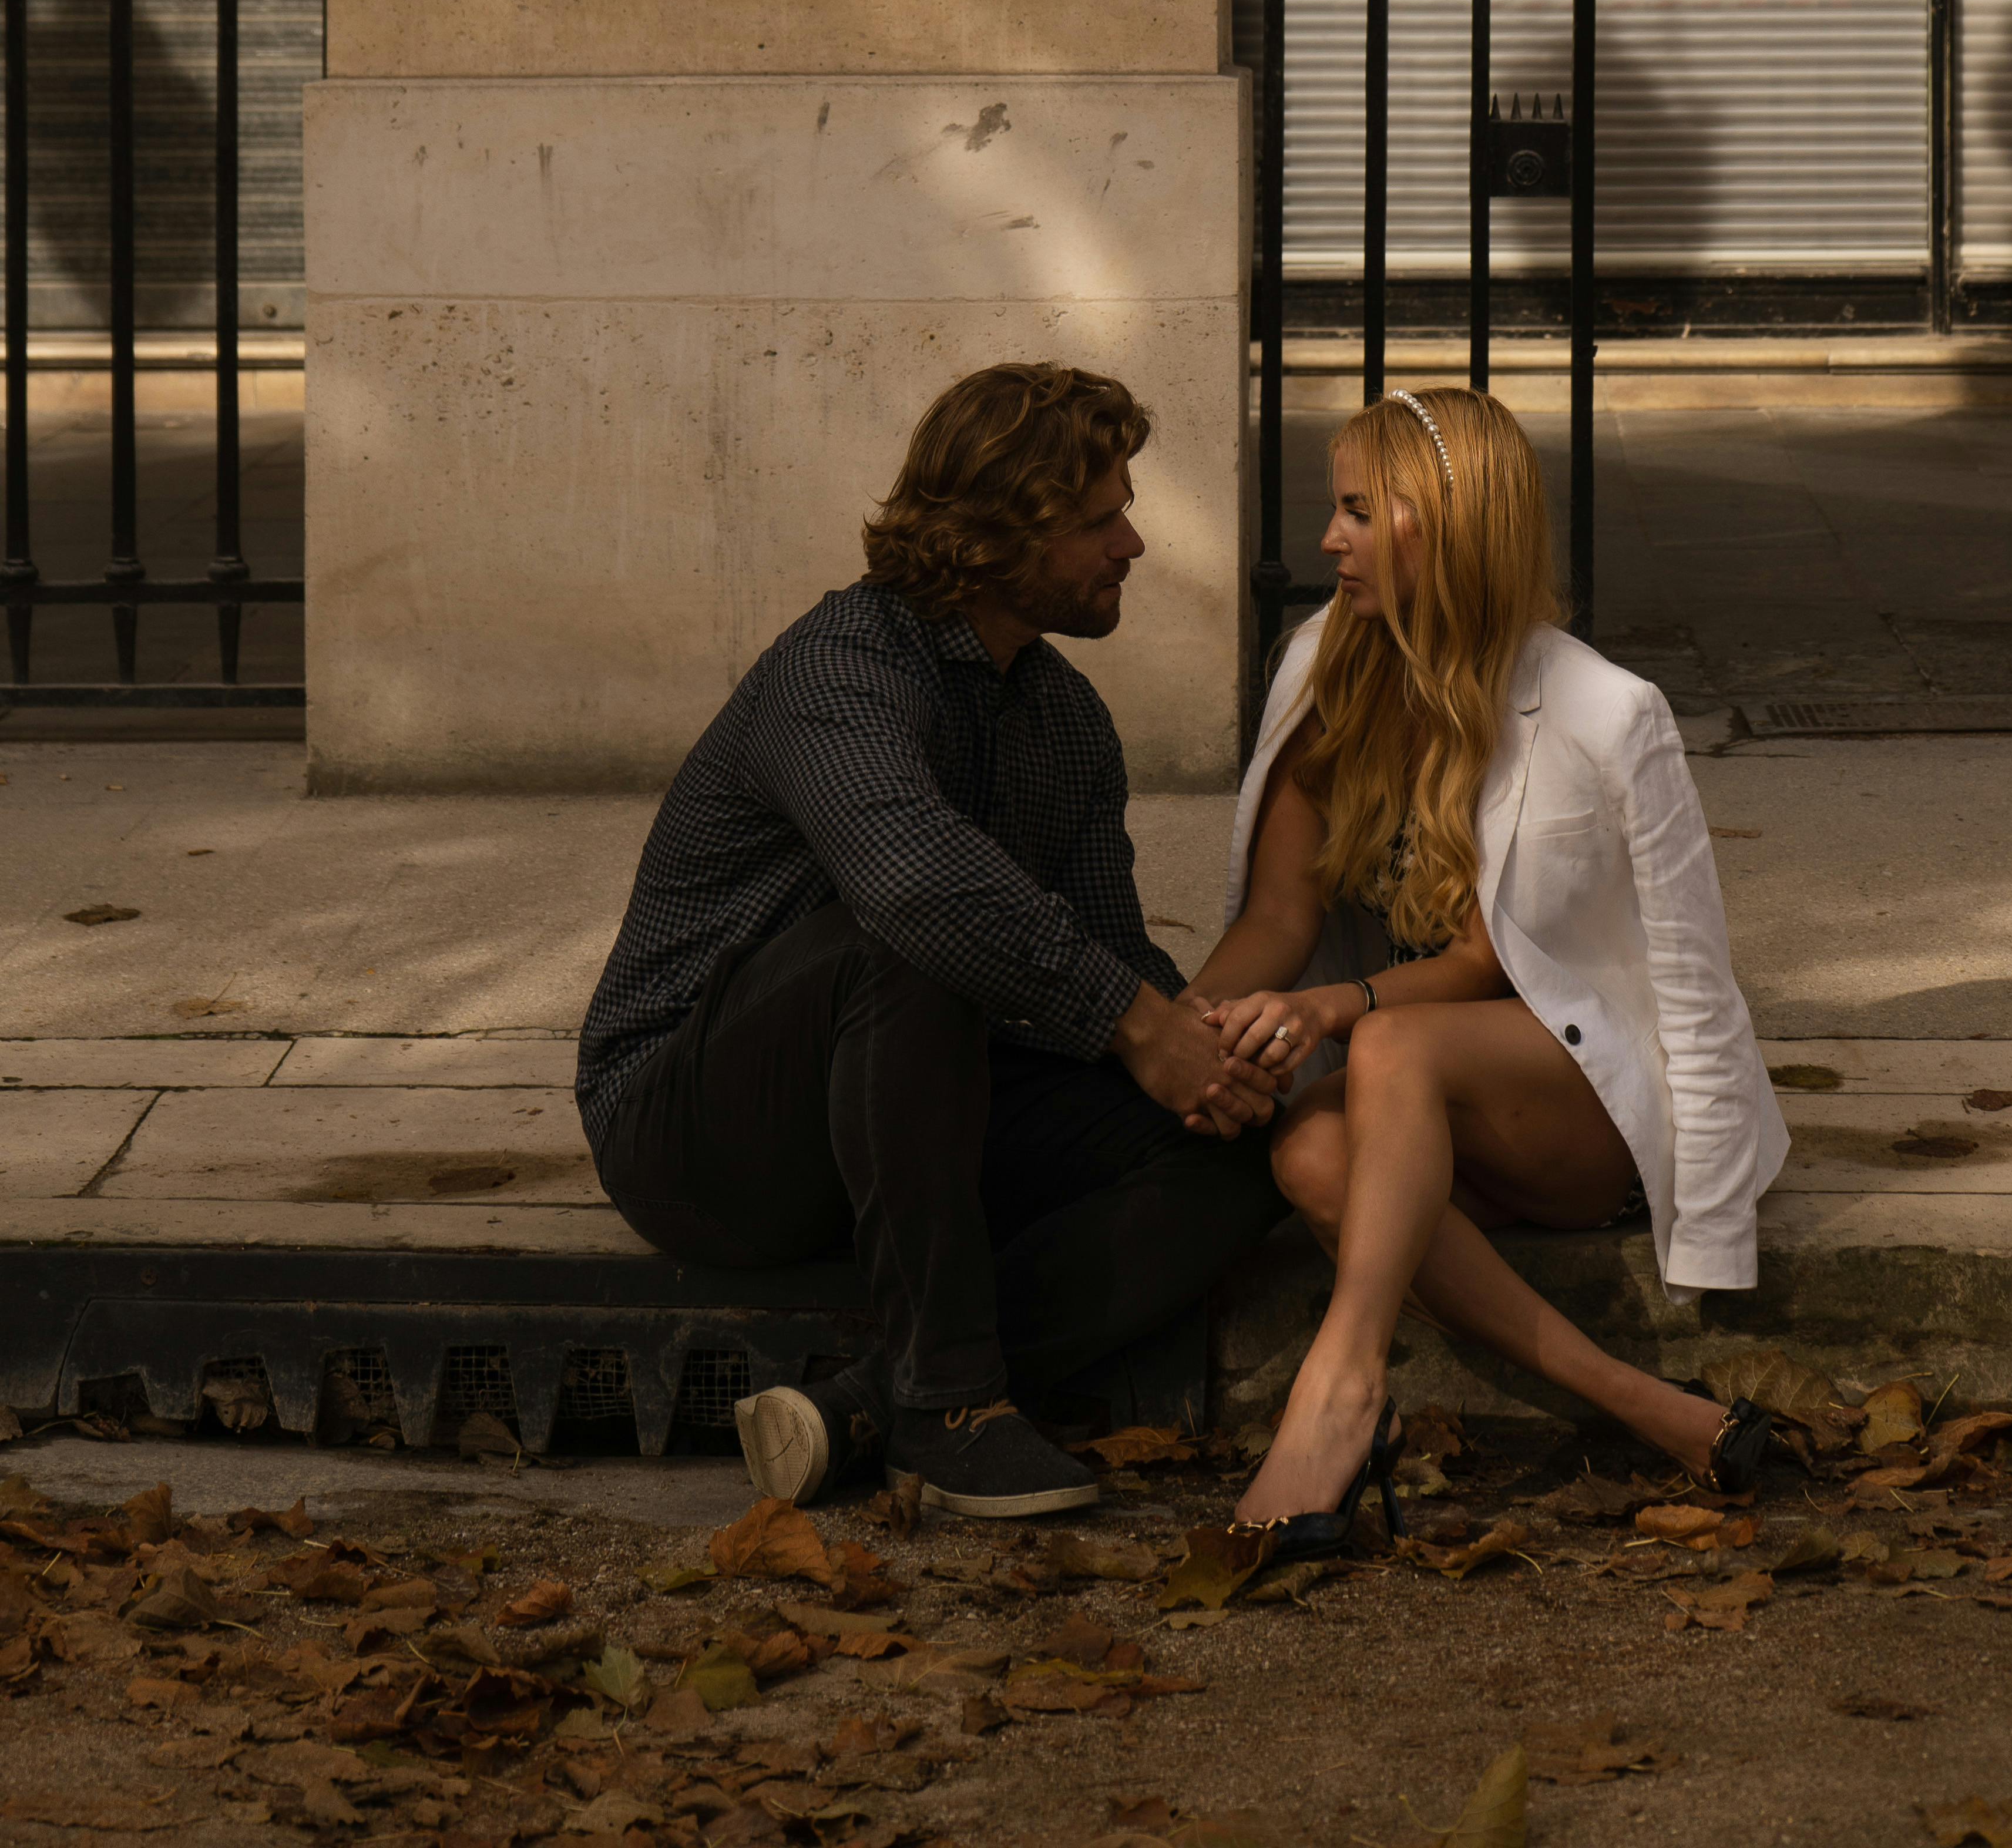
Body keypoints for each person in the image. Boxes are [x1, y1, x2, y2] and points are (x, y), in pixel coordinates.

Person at [575, 362, 1282, 1521]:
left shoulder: (1063, 720)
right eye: (1101, 519)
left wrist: (1207, 1058)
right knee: (909, 933)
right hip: (696, 1132)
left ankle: (876, 1400)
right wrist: (1135, 1021)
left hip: (915, 1110)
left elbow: (1109, 955)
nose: (1134, 545)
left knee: (1232, 1149)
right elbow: (916, 892)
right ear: (1001, 534)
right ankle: (953, 1408)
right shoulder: (840, 670)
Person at [1193, 385, 1789, 1553]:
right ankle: (1647, 1406)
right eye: (1334, 511)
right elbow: (1276, 913)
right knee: (1311, 1144)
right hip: (1415, 1096)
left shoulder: (1606, 714)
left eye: (1359, 512)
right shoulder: (1322, 666)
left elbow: (1681, 974)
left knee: (1384, 1043)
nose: (1327, 542)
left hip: (1577, 1109)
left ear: (1444, 528)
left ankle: (1342, 1390)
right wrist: (1187, 1025)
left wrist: (1714, 1220)